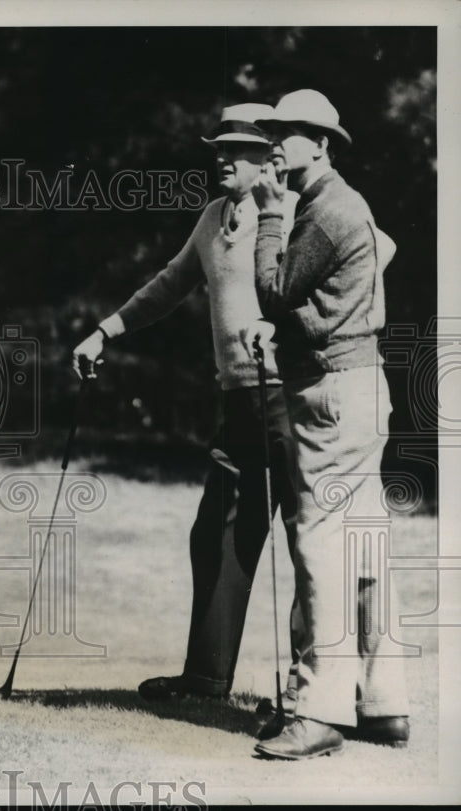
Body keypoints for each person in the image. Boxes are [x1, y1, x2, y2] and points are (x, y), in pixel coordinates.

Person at [74, 104, 298, 702]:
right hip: (237, 398)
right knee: (216, 533)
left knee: (310, 538)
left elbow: (376, 249)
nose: (222, 158)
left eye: (237, 150)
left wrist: (309, 328)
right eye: (218, 149)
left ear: (269, 156)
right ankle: (205, 680)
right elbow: (169, 284)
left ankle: (320, 693)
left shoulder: (297, 211)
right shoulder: (212, 217)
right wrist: (105, 331)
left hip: (291, 397)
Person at [242, 90, 409, 759]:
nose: (277, 141)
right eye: (276, 131)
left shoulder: (322, 206)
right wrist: (300, 325)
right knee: (363, 545)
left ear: (323, 144)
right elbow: (320, 295)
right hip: (358, 387)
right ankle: (382, 699)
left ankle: (320, 709)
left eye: (292, 133)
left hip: (333, 396)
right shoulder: (342, 204)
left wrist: (269, 216)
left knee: (319, 543)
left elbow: (273, 288)